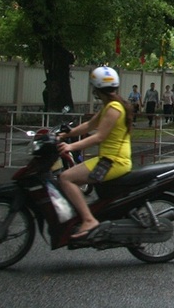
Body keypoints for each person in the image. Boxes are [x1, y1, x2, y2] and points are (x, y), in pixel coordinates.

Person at [57, 66, 133, 239]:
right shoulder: (111, 105)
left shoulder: (114, 108)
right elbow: (89, 126)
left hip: (111, 162)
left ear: (97, 89)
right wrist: (66, 134)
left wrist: (70, 147)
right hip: (109, 159)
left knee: (66, 178)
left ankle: (89, 220)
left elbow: (99, 136)